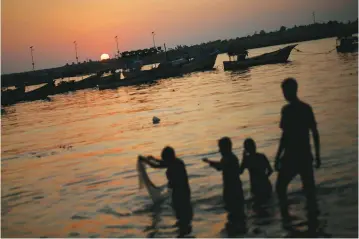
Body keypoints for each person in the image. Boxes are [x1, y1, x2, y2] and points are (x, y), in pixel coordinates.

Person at [275, 78, 321, 233]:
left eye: (284, 91)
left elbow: (285, 136)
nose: (284, 94)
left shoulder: (288, 110)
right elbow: (314, 133)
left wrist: (278, 156)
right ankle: (312, 223)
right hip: (303, 155)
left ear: (291, 91)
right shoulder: (305, 108)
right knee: (308, 190)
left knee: (281, 188)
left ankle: (287, 222)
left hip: (293, 156)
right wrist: (317, 155)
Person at [139, 146, 193, 237]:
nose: (164, 161)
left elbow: (157, 166)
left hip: (181, 194)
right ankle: (183, 232)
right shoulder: (175, 162)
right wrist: (152, 159)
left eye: (165, 159)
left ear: (169, 157)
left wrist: (145, 160)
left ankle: (183, 233)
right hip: (180, 193)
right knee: (181, 215)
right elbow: (160, 164)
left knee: (181, 216)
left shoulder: (176, 164)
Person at [202, 137, 247, 235]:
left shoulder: (230, 158)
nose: (219, 150)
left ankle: (236, 229)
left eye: (220, 148)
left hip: (233, 190)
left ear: (226, 148)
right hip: (231, 188)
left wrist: (209, 162)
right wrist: (210, 162)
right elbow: (220, 167)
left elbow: (220, 166)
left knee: (234, 211)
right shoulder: (229, 158)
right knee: (235, 211)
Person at [239, 138, 273, 209]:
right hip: (265, 184)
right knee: (267, 205)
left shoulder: (247, 159)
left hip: (257, 186)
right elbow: (270, 170)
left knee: (257, 207)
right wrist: (264, 178)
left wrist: (243, 158)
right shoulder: (261, 156)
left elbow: (240, 171)